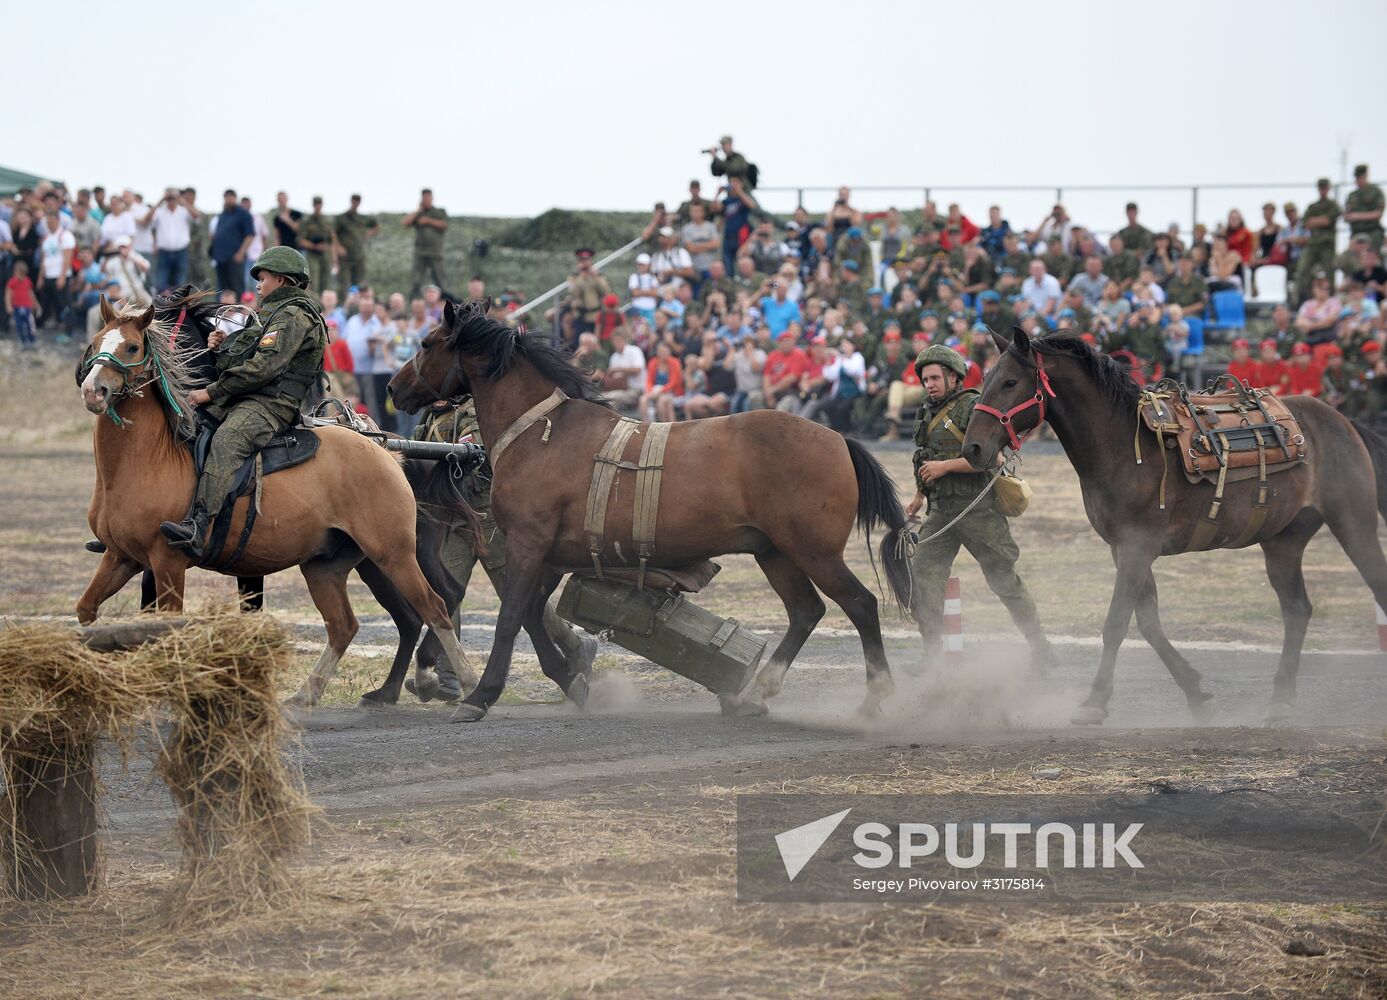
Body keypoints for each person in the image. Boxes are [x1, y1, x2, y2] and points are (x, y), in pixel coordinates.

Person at [408, 398, 598, 701]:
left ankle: (575, 647)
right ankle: (449, 676)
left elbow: (477, 460)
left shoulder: (475, 412)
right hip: (454, 521)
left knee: (520, 600)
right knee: (443, 594)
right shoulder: (428, 419)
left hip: (488, 518)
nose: (436, 395)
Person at [160, 247, 327, 559]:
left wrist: (211, 393)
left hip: (272, 404)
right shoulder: (269, 316)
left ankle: (199, 526)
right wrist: (220, 346)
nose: (258, 285)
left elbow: (263, 368)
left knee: (227, 441)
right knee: (186, 427)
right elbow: (240, 360)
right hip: (248, 396)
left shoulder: (293, 317)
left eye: (262, 278)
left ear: (280, 279)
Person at [905, 344, 1054, 673]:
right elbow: (925, 459)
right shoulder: (926, 412)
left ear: (954, 377)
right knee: (924, 579)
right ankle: (931, 652)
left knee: (1004, 581)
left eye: (935, 377)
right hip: (941, 511)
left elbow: (994, 458)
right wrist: (918, 495)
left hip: (978, 511)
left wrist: (945, 468)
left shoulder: (973, 406)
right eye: (925, 379)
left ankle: (1039, 646)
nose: (929, 384)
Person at [1296, 178, 1341, 303]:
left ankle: (1331, 298)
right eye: (1321, 188)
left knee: (1329, 271)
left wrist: (1316, 221)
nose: (1323, 190)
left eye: (1325, 187)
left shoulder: (1333, 205)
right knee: (1303, 270)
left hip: (1327, 244)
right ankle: (1302, 298)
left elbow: (1328, 220)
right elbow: (1306, 223)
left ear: (1328, 189)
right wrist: (1321, 221)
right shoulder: (1312, 206)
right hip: (1313, 244)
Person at [404, 188, 448, 297]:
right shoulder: (418, 213)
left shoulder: (439, 212)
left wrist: (428, 221)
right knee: (416, 280)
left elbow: (444, 225)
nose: (426, 199)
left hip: (435, 252)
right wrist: (418, 211)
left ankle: (444, 301)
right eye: (424, 197)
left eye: (428, 197)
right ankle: (414, 300)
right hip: (420, 253)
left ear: (432, 198)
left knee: (439, 279)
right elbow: (405, 223)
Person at [210, 189, 255, 296]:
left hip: (235, 258)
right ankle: (222, 311)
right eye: (226, 197)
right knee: (222, 289)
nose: (229, 200)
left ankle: (240, 311)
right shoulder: (222, 215)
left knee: (237, 288)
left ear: (235, 198)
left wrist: (241, 253)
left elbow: (250, 235)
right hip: (221, 258)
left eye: (231, 197)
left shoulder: (243, 214)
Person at [334, 194, 378, 297]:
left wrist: (366, 235)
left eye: (358, 201)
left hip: (359, 254)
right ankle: (343, 303)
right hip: (345, 255)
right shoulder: (342, 218)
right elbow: (333, 233)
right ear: (351, 201)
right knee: (344, 282)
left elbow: (375, 226)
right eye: (354, 200)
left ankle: (358, 303)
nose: (356, 203)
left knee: (359, 282)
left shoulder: (362, 218)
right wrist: (338, 247)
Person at [150, 189, 192, 292]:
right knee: (161, 283)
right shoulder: (159, 212)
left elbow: (197, 216)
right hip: (164, 253)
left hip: (181, 252)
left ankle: (179, 307)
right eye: (168, 199)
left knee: (180, 284)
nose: (171, 201)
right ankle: (162, 307)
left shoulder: (184, 211)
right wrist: (159, 201)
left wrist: (183, 201)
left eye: (173, 198)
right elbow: (147, 220)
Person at [567, 248, 612, 334]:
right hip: (580, 315)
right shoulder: (574, 276)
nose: (584, 262)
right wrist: (581, 278)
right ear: (578, 261)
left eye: (586, 260)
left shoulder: (598, 275)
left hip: (596, 316)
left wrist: (595, 277)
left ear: (590, 261)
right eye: (581, 260)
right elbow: (573, 292)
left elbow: (606, 292)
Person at [297, 197, 336, 294]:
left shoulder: (327, 221)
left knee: (326, 282)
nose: (318, 206)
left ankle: (325, 303)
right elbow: (301, 240)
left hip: (325, 254)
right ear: (313, 205)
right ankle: (315, 302)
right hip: (312, 254)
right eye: (316, 204)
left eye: (319, 204)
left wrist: (334, 259)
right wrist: (314, 246)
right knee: (314, 280)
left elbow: (332, 241)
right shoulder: (307, 221)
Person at [600, 327, 645, 409]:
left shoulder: (634, 351)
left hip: (635, 390)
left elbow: (638, 369)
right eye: (614, 340)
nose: (617, 343)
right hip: (620, 389)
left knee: (605, 397)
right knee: (608, 404)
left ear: (625, 340)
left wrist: (619, 369)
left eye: (619, 340)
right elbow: (613, 376)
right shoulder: (614, 356)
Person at [1344, 164, 1385, 251]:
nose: (1358, 180)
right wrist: (1348, 216)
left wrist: (1357, 216)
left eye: (1360, 177)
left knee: (1371, 256)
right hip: (1356, 232)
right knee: (1351, 259)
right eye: (1357, 178)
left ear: (1366, 176)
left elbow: (1378, 214)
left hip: (1372, 231)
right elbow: (1347, 215)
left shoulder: (1376, 192)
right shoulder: (1352, 196)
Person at [4, 260, 36, 347]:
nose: (20, 277)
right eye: (19, 274)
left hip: (27, 306)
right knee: (19, 324)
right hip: (17, 306)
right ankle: (23, 340)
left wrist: (34, 303)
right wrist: (8, 305)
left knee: (29, 323)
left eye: (22, 275)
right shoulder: (12, 282)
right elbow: (8, 294)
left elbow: (30, 292)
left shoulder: (27, 281)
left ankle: (31, 339)